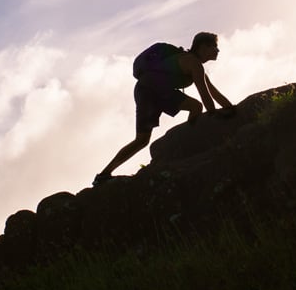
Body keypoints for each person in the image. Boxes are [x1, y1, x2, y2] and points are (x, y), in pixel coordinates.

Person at [93, 32, 235, 186]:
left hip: (144, 89)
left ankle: (104, 175)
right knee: (195, 107)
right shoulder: (193, 63)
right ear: (202, 47)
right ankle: (187, 142)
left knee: (141, 140)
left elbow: (214, 93)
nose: (217, 51)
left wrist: (230, 108)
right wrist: (214, 114)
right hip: (154, 90)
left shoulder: (194, 65)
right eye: (214, 47)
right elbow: (205, 95)